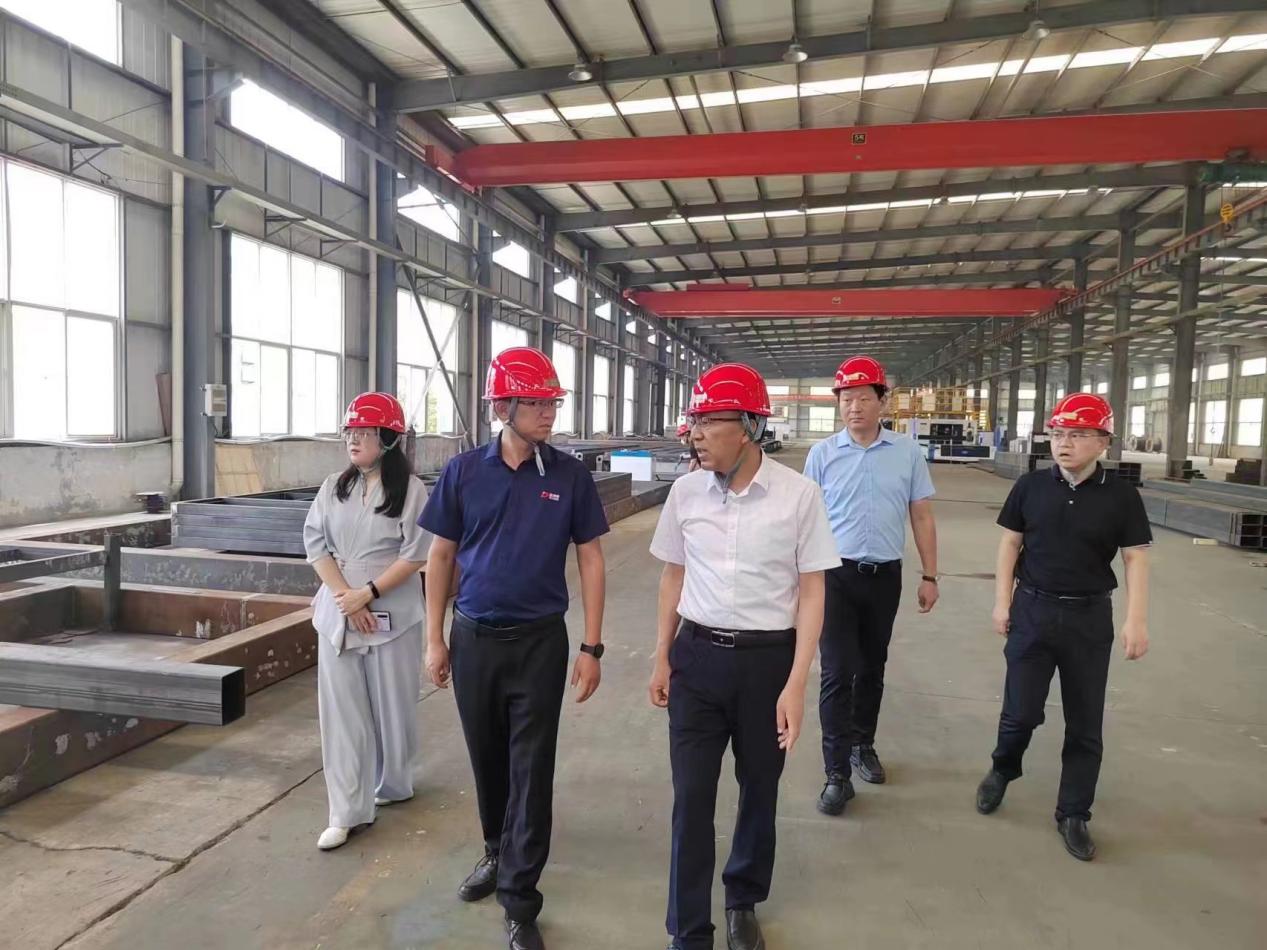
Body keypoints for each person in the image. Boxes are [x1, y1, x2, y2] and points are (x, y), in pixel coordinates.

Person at [420, 346, 608, 950]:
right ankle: (496, 852)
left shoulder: (570, 477)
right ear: (503, 407)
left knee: (531, 767)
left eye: (553, 403)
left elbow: (591, 559)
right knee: (488, 758)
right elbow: (440, 556)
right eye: (536, 403)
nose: (549, 413)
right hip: (473, 638)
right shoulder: (463, 473)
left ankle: (520, 900)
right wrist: (434, 638)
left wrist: (592, 646)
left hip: (539, 644)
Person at [648, 363, 839, 950]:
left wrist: (797, 683)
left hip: (767, 664)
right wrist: (662, 656)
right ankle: (688, 929)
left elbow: (813, 591)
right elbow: (673, 576)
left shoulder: (798, 496)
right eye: (694, 421)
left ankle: (742, 899)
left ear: (750, 426)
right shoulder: (685, 493)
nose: (696, 433)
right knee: (692, 797)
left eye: (710, 421)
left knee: (760, 788)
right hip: (697, 660)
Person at [976, 393, 1151, 861]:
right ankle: (1003, 768)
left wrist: (1135, 619)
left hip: (1088, 619)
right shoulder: (1031, 487)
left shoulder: (1121, 496)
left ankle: (1073, 812)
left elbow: (1135, 558)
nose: (1064, 443)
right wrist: (1001, 603)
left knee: (1085, 723)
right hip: (1032, 611)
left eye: (1077, 435)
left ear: (1103, 442)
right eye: (1057, 434)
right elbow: (1010, 545)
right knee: (1020, 713)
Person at [802, 356, 940, 815]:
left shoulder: (907, 452)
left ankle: (863, 744)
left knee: (872, 668)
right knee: (837, 672)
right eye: (846, 399)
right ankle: (836, 772)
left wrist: (930, 575)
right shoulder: (822, 455)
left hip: (885, 577)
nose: (854, 407)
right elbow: (804, 520)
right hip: (835, 576)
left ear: (882, 401)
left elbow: (922, 515)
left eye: (863, 398)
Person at [303, 392, 431, 851]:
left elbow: (416, 554)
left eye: (364, 432)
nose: (353, 440)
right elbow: (316, 545)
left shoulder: (411, 491)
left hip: (392, 610)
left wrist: (369, 594)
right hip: (339, 611)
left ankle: (393, 781)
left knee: (393, 708)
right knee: (341, 715)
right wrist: (347, 599)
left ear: (389, 439)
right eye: (350, 432)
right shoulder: (331, 488)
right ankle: (346, 811)